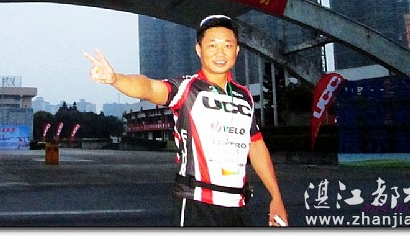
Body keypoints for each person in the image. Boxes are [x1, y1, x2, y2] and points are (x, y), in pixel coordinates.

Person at [84, 14, 288, 227]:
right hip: (196, 204)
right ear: (199, 49)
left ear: (236, 50)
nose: (220, 52)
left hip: (238, 205)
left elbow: (256, 145)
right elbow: (149, 88)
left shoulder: (244, 96)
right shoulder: (186, 89)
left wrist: (276, 196)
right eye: (212, 45)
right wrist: (116, 79)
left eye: (227, 46)